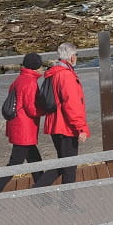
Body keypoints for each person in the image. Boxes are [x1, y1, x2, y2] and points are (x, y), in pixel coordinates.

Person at [33, 42, 90, 187]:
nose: (76, 57)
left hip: (54, 124)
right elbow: (72, 104)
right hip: (66, 127)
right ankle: (65, 204)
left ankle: (39, 188)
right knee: (69, 166)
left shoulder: (54, 72)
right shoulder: (66, 75)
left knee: (63, 162)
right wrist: (81, 127)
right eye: (76, 55)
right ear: (71, 57)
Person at [0, 52, 45, 193]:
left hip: (17, 125)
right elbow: (32, 110)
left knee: (34, 160)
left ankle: (42, 191)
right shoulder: (30, 83)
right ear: (35, 68)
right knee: (16, 163)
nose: (43, 68)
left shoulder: (19, 79)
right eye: (41, 66)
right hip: (24, 130)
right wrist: (47, 110)